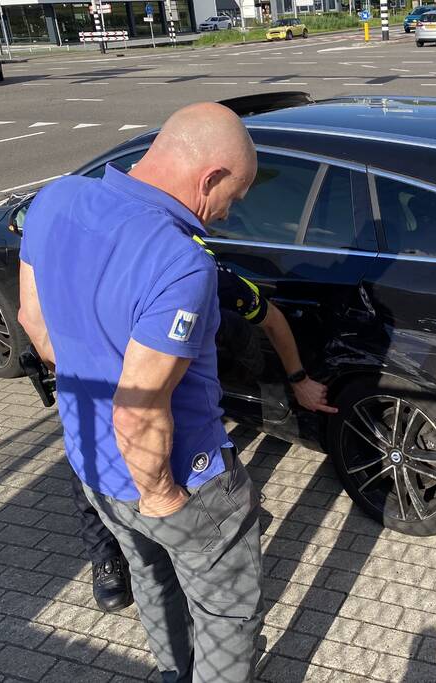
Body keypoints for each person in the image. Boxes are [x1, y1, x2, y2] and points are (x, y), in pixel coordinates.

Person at [18, 102, 279, 681]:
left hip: (92, 465)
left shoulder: (56, 199)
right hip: (178, 475)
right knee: (226, 614)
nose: (228, 213)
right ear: (209, 177)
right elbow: (137, 412)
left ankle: (172, 673)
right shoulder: (180, 263)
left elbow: (33, 323)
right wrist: (160, 494)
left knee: (151, 576)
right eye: (233, 196)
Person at [77, 251, 337, 612]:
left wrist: (298, 378)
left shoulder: (202, 270)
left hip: (168, 398)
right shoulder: (92, 262)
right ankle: (105, 554)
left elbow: (272, 319)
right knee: (89, 456)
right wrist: (162, 496)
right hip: (102, 397)